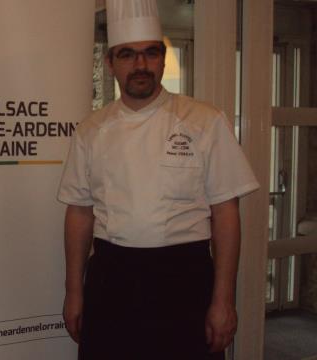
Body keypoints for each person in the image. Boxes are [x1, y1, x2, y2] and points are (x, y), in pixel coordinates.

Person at [57, 0, 260, 359]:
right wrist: (74, 290)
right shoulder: (90, 130)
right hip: (111, 278)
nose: (140, 65)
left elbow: (226, 212)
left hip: (185, 278)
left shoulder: (204, 121)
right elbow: (79, 213)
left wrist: (224, 299)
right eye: (127, 55)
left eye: (150, 53)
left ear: (163, 58)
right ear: (110, 63)